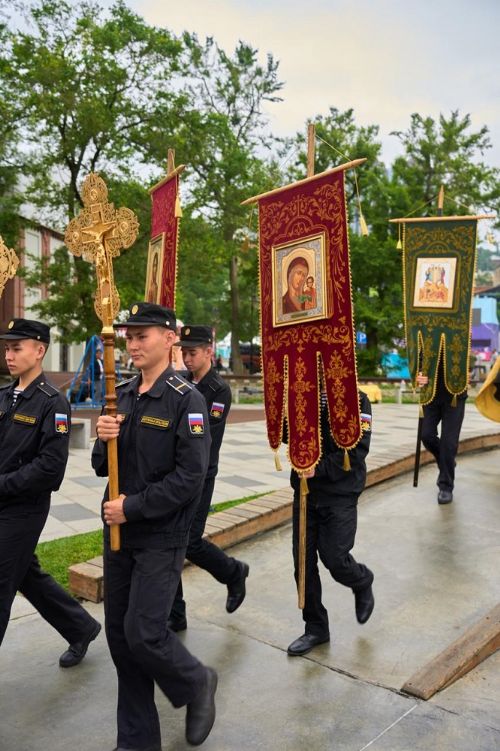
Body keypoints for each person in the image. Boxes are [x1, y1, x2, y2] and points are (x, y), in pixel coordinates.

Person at [92, 303, 217, 750]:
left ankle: (197, 681)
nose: (132, 344)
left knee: (144, 633)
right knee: (120, 639)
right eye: (129, 336)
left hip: (160, 534)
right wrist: (103, 436)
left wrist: (134, 507)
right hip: (118, 533)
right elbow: (102, 465)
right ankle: (137, 741)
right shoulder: (122, 394)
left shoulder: (187, 399)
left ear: (169, 338)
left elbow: (190, 477)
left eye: (142, 335)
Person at [0, 318, 101, 666]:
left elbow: (49, 469)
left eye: (17, 348)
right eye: (7, 348)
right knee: (26, 574)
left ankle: (80, 628)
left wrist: (3, 485)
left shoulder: (52, 403)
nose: (9, 355)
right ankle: (80, 627)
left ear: (39, 350)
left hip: (24, 509)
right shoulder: (4, 396)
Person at [167, 325, 249, 633]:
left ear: (208, 352)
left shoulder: (218, 390)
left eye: (192, 353)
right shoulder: (180, 381)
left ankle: (233, 572)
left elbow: (204, 438)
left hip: (200, 475)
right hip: (174, 473)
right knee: (170, 539)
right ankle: (175, 613)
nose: (187, 359)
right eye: (184, 353)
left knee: (189, 541)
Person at [286, 388, 374, 657]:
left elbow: (358, 451)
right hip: (305, 492)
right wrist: (282, 412)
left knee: (335, 558)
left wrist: (318, 469)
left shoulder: (358, 399)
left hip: (340, 492)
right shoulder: (302, 392)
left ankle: (361, 580)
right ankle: (315, 627)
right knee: (302, 564)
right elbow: (287, 437)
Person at [417, 356, 467, 504]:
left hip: (455, 396)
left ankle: (445, 486)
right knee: (426, 435)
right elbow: (417, 358)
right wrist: (418, 374)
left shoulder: (462, 338)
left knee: (449, 443)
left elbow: (466, 357)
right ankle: (447, 461)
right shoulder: (425, 340)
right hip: (431, 394)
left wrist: (467, 371)